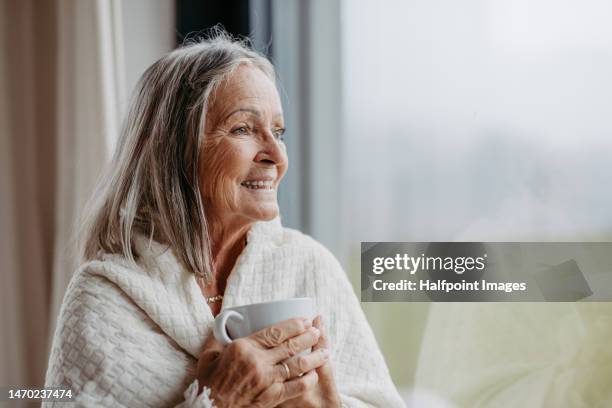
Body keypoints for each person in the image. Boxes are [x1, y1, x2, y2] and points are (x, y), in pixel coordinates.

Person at [44, 32, 405, 407]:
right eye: (243, 129)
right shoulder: (104, 297)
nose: (275, 155)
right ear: (175, 150)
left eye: (278, 132)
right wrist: (218, 400)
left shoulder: (310, 267)